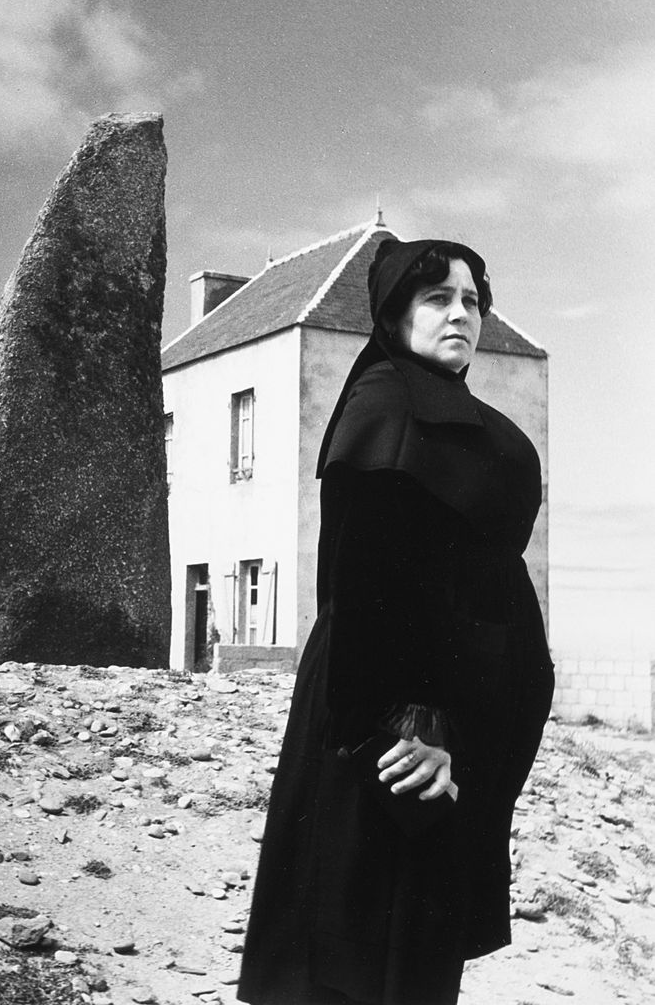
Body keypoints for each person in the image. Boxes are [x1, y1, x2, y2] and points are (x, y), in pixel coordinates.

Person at [236, 237, 555, 1005]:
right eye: (437, 299)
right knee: (357, 948)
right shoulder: (383, 410)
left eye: (472, 300)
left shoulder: (479, 430)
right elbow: (368, 592)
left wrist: (469, 727)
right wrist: (415, 724)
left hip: (450, 727)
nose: (461, 314)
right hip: (378, 729)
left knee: (415, 955)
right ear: (394, 314)